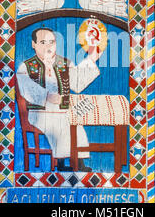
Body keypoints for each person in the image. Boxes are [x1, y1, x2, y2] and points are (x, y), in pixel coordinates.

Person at [16, 27, 103, 172]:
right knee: (60, 126)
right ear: (34, 44)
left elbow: (77, 81)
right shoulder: (26, 66)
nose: (48, 46)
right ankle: (62, 164)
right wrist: (47, 96)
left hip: (63, 111)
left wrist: (91, 59)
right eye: (43, 42)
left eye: (52, 42)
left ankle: (78, 163)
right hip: (40, 113)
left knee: (76, 125)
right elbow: (26, 86)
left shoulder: (64, 63)